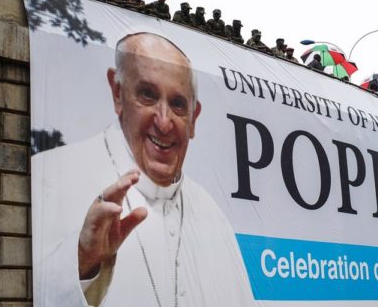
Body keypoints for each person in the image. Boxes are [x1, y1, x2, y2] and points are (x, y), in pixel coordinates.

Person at [32, 32, 255, 306]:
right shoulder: (49, 175)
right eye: (148, 95)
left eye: (177, 104)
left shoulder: (213, 216)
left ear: (194, 118)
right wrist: (83, 265)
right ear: (117, 94)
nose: (163, 122)